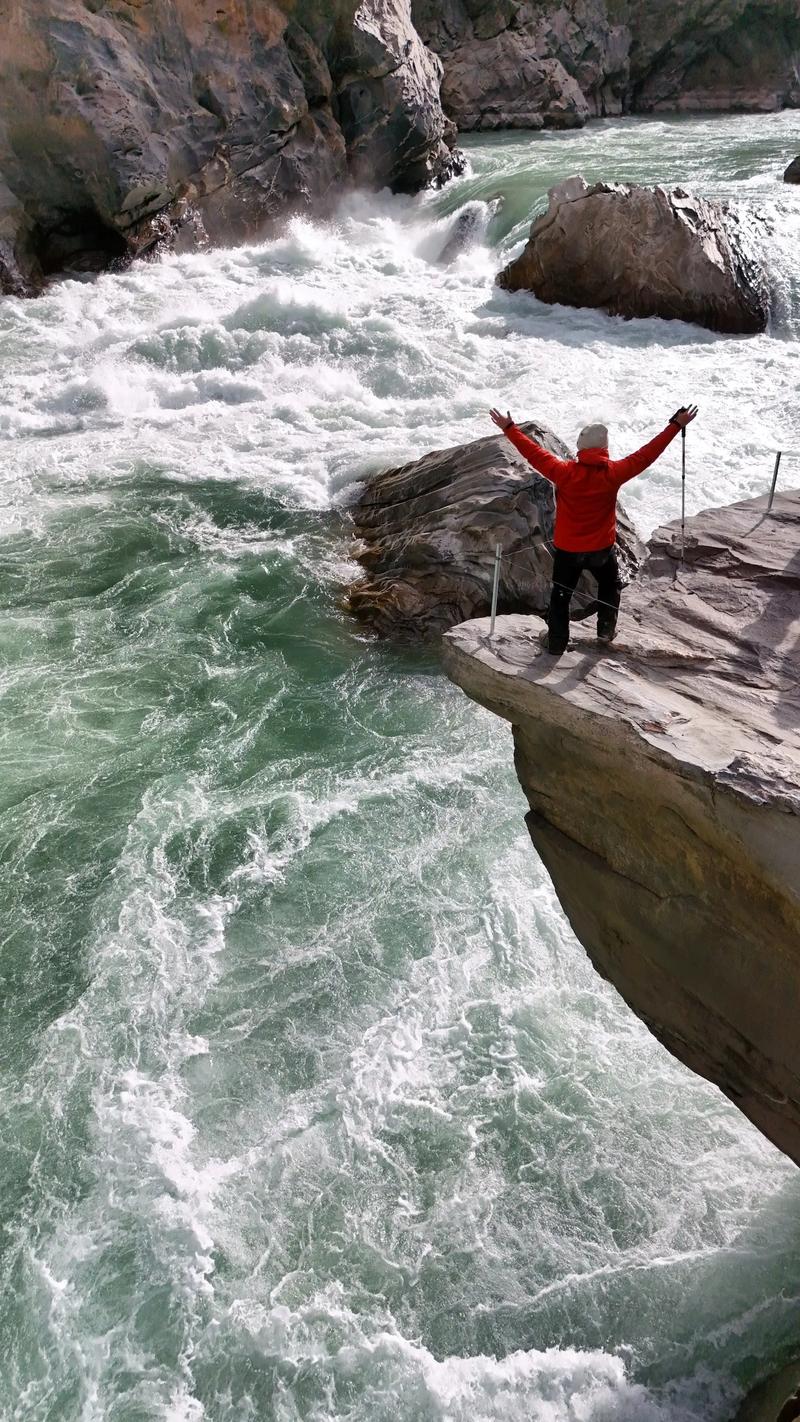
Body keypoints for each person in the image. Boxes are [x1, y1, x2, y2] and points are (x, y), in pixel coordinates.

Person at [489, 405, 698, 653]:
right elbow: (647, 454)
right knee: (610, 586)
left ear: (580, 448)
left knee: (561, 595)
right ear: (604, 449)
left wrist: (509, 428)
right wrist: (676, 425)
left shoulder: (564, 472)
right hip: (601, 548)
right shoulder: (615, 473)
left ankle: (556, 644)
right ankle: (605, 632)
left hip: (568, 549)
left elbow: (533, 453)